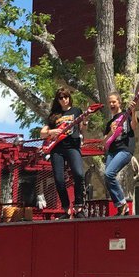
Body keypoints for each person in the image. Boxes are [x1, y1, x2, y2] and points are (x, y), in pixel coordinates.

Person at [40, 87, 86, 217]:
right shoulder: (54, 115)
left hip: (72, 146)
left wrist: (84, 124)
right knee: (59, 179)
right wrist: (51, 132)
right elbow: (43, 133)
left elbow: (82, 127)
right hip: (57, 149)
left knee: (78, 174)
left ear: (69, 98)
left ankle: (78, 206)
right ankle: (66, 209)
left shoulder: (76, 111)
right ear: (58, 100)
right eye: (61, 98)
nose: (64, 100)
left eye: (66, 97)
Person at [103, 90, 138, 217]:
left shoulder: (126, 115)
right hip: (112, 152)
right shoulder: (109, 123)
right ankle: (121, 207)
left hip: (124, 149)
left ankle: (122, 204)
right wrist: (111, 133)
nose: (111, 104)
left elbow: (134, 126)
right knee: (107, 177)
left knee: (109, 173)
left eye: (114, 101)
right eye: (110, 102)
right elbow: (104, 142)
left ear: (119, 102)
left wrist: (134, 111)